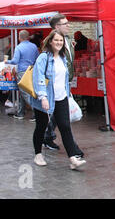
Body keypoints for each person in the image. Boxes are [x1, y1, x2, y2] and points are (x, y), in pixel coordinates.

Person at [30, 30, 86, 170]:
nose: (59, 43)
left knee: (65, 127)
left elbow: (65, 79)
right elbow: (38, 78)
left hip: (61, 97)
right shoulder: (43, 58)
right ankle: (38, 154)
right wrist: (43, 97)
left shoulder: (62, 58)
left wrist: (68, 95)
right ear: (50, 41)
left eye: (61, 41)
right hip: (46, 98)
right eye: (56, 40)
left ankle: (73, 158)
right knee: (41, 126)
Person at [43, 13, 84, 158]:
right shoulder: (51, 44)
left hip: (65, 83)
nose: (68, 25)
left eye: (68, 23)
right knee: (64, 121)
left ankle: (47, 136)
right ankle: (74, 150)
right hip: (55, 87)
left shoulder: (67, 40)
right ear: (56, 27)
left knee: (59, 116)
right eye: (65, 24)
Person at [4, 30, 39, 120]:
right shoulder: (34, 46)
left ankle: (37, 113)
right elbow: (37, 59)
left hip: (22, 72)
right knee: (25, 92)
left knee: (25, 93)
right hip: (31, 71)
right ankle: (20, 113)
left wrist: (7, 61)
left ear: (19, 38)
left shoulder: (19, 47)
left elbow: (15, 61)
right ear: (28, 37)